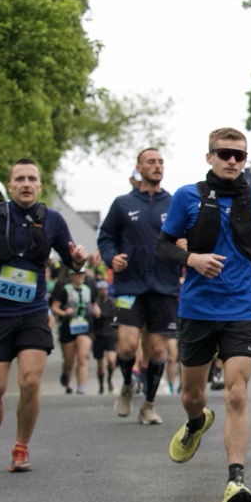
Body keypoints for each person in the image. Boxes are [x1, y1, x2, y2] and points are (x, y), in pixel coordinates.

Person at [157, 128, 251, 502]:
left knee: (236, 393)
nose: (232, 160)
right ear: (210, 157)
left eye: (239, 155)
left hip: (240, 310)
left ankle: (236, 480)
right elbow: (162, 246)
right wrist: (192, 259)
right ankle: (195, 421)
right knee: (192, 396)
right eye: (224, 153)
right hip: (197, 310)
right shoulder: (188, 196)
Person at [0, 158, 89, 472]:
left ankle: (21, 447)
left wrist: (78, 260)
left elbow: (72, 262)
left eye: (32, 178)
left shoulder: (53, 220)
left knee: (30, 382)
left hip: (32, 312)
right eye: (20, 179)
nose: (26, 184)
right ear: (10, 185)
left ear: (40, 186)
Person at [97, 148, 181, 425]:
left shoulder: (174, 203)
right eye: (151, 162)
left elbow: (190, 236)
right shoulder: (123, 203)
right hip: (130, 287)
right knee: (127, 347)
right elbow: (105, 237)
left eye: (160, 162)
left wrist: (186, 244)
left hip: (164, 287)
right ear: (139, 167)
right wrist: (111, 257)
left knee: (157, 350)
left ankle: (149, 404)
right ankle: (127, 385)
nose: (157, 166)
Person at [51, 268, 98, 394]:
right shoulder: (65, 290)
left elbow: (94, 304)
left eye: (82, 274)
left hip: (85, 327)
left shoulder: (88, 289)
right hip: (69, 327)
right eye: (77, 274)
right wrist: (64, 312)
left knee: (83, 357)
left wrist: (96, 310)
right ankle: (67, 377)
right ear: (71, 276)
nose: (80, 276)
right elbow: (55, 307)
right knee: (69, 361)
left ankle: (81, 386)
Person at [90, 278, 118, 394]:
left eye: (105, 289)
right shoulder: (95, 304)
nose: (104, 291)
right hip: (98, 335)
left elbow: (116, 318)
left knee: (112, 361)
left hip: (110, 334)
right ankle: (101, 385)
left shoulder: (112, 303)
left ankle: (110, 379)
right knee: (100, 365)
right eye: (101, 289)